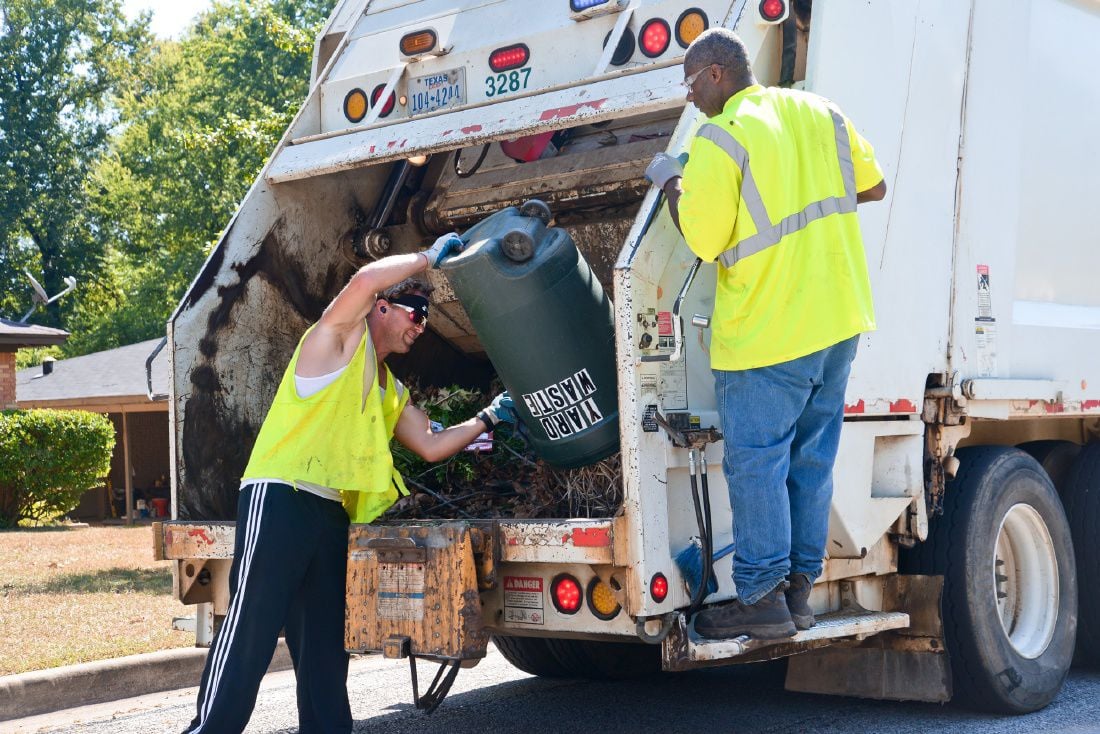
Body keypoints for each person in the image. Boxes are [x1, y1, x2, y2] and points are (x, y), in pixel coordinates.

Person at [182, 233, 514, 734]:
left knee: (324, 650)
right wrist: (427, 257)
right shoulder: (335, 338)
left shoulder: (385, 385)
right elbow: (363, 279)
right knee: (250, 631)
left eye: (426, 318)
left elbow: (429, 442)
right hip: (281, 499)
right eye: (414, 313)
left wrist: (490, 417)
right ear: (382, 308)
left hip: (329, 515)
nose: (421, 327)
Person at [646, 28, 887, 640]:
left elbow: (702, 239)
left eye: (691, 83)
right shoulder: (818, 110)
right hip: (837, 320)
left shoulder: (720, 135)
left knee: (757, 464)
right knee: (810, 459)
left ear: (717, 75)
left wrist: (672, 180)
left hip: (769, 329)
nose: (690, 96)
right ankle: (799, 594)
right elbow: (874, 186)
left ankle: (761, 596)